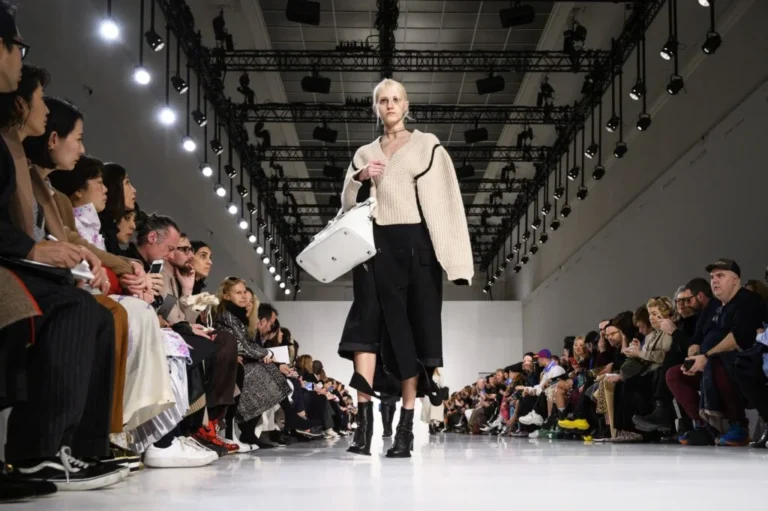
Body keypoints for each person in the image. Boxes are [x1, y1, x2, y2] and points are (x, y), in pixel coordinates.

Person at [338, 78, 473, 458]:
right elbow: (346, 204)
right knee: (364, 329)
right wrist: (358, 178)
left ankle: (405, 430)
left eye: (396, 99)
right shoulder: (364, 153)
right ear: (376, 107)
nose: (390, 105)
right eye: (383, 100)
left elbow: (445, 202)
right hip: (372, 245)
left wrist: (456, 262)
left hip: (415, 246)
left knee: (410, 333)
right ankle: (363, 427)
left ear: (406, 105)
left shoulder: (427, 145)